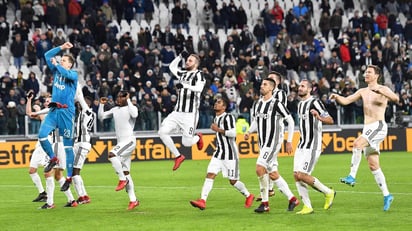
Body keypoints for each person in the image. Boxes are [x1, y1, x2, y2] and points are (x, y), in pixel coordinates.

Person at [330, 65, 399, 211]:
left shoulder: (383, 89)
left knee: (357, 143)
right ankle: (387, 195)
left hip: (378, 126)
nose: (365, 74)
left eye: (369, 72)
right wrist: (337, 97)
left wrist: (380, 91)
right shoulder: (362, 91)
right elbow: (347, 100)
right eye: (365, 72)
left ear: (377, 75)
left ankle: (351, 176)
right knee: (373, 165)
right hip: (368, 128)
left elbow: (396, 98)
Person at [190, 95, 255, 210]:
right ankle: (202, 200)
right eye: (216, 102)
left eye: (219, 102)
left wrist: (218, 130)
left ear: (224, 107)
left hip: (230, 155)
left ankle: (249, 195)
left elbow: (233, 133)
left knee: (233, 181)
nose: (216, 103)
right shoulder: (216, 119)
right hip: (218, 153)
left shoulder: (228, 117)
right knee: (210, 175)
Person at [244, 78, 298, 213]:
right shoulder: (258, 104)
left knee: (259, 168)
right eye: (262, 84)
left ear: (271, 88)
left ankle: (265, 203)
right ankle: (292, 199)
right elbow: (256, 120)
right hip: (262, 144)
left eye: (265, 84)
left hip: (272, 143)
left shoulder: (276, 104)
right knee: (273, 174)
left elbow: (290, 121)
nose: (261, 86)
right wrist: (249, 131)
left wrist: (289, 140)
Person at [27, 94, 78, 209]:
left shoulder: (57, 113)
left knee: (47, 172)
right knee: (58, 175)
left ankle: (50, 203)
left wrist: (38, 112)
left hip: (56, 145)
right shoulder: (65, 112)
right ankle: (72, 200)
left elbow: (48, 110)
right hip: (64, 146)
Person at [39, 42, 78, 193]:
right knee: (42, 135)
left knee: (68, 148)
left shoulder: (73, 75)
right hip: (54, 110)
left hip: (67, 114)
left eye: (64, 60)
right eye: (61, 60)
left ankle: (68, 178)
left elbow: (66, 74)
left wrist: (58, 65)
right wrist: (61, 47)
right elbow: (47, 55)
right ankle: (53, 158)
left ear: (70, 64)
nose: (61, 61)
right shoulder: (57, 70)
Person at [293, 79, 336, 215]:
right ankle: (307, 206)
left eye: (303, 86)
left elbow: (330, 120)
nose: (300, 88)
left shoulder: (315, 102)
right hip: (301, 145)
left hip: (312, 145)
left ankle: (328, 192)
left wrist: (319, 117)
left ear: (310, 89)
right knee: (296, 175)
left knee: (302, 175)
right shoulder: (300, 105)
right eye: (299, 86)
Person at [158, 51, 206, 171]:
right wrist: (179, 56)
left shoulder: (199, 74)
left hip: (190, 115)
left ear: (196, 64)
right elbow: (171, 67)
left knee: (187, 143)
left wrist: (185, 86)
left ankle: (198, 138)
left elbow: (199, 89)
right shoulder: (183, 74)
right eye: (187, 59)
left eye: (190, 60)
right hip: (177, 112)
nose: (187, 61)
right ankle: (178, 156)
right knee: (162, 132)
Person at [98, 91, 140, 210]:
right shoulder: (115, 109)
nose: (118, 99)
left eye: (121, 97)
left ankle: (122, 180)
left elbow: (135, 115)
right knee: (126, 171)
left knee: (112, 155)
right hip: (121, 142)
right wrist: (101, 105)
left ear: (126, 98)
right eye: (118, 96)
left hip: (129, 140)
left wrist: (129, 100)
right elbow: (101, 117)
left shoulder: (131, 108)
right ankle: (133, 200)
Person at [256, 71, 288, 201]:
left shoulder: (280, 94)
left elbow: (281, 113)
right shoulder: (262, 99)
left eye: (271, 79)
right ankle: (270, 190)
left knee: (266, 163)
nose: (268, 81)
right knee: (269, 164)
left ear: (277, 83)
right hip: (264, 134)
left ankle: (268, 192)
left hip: (275, 132)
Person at [72, 86, 95, 204]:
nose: (80, 104)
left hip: (83, 143)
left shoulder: (88, 112)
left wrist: (77, 84)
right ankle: (84, 195)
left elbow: (80, 97)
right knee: (73, 170)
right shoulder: (81, 113)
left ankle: (82, 197)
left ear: (88, 104)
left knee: (74, 171)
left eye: (84, 103)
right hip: (78, 143)